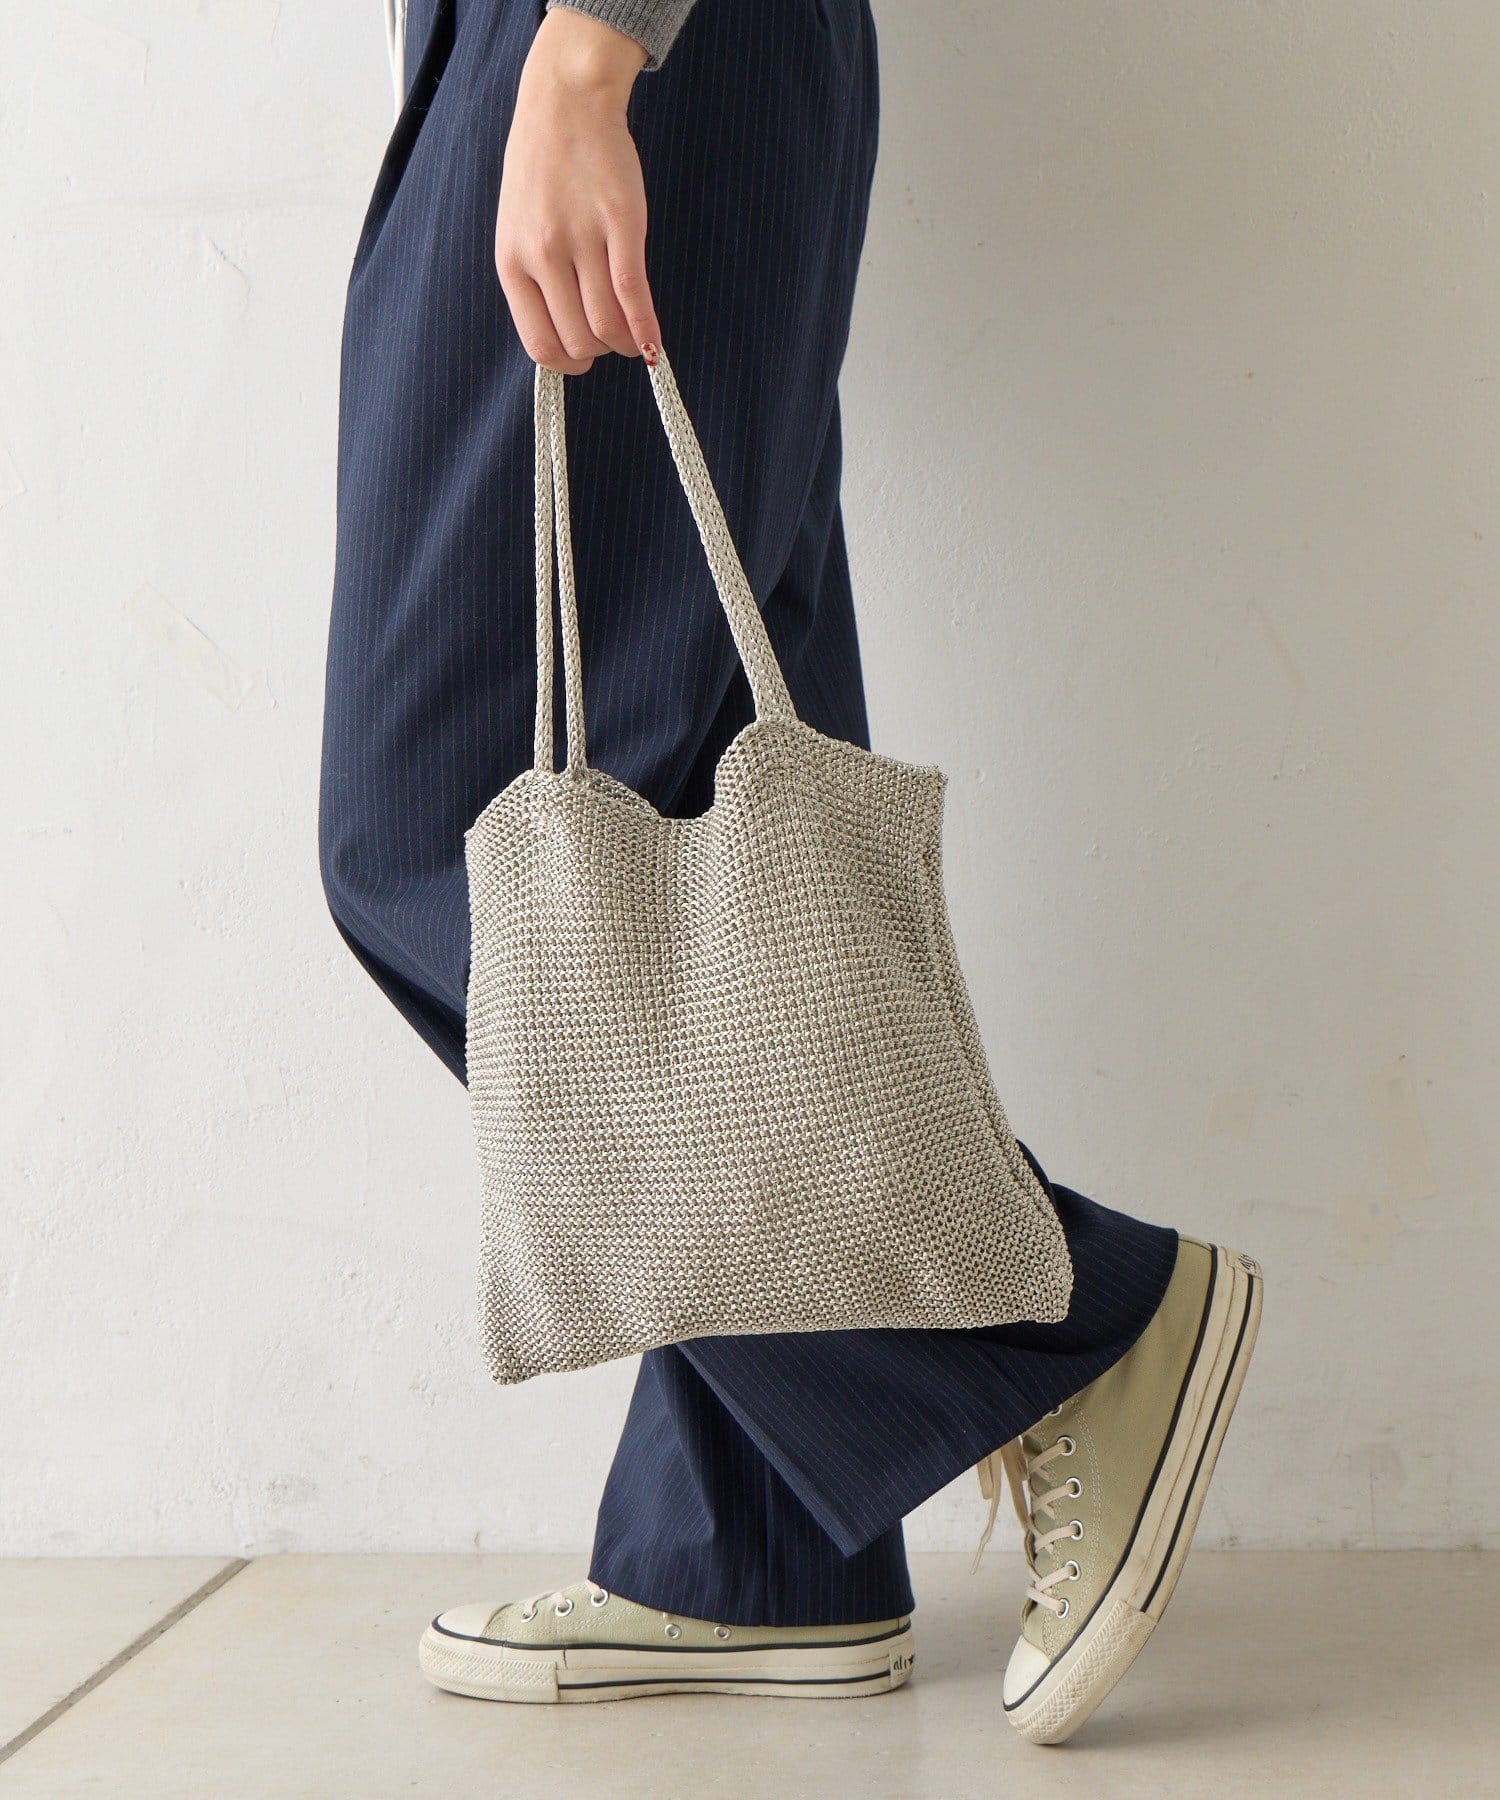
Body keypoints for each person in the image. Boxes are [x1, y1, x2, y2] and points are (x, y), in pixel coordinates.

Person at [319, 0, 1262, 1745]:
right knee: (702, 791)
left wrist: (586, 48)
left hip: (610, 40)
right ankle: (754, 1548)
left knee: (436, 820)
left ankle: (1067, 1328)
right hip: (643, 51)